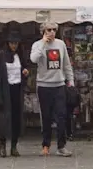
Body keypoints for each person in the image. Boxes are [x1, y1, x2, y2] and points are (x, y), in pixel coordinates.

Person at [30, 21, 74, 157]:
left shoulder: (60, 44)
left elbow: (66, 63)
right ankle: (46, 145)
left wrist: (70, 80)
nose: (52, 32)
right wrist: (43, 42)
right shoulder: (37, 45)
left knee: (61, 116)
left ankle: (61, 146)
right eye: (49, 30)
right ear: (43, 31)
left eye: (54, 29)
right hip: (44, 86)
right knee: (46, 117)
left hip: (59, 85)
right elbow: (33, 59)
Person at [0, 33, 29, 158]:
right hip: (4, 90)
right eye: (12, 43)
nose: (14, 46)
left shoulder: (20, 55)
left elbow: (24, 69)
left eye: (16, 43)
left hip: (17, 90)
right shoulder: (0, 55)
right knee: (3, 119)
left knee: (16, 118)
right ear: (7, 43)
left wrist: (25, 72)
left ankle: (14, 146)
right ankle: (2, 145)